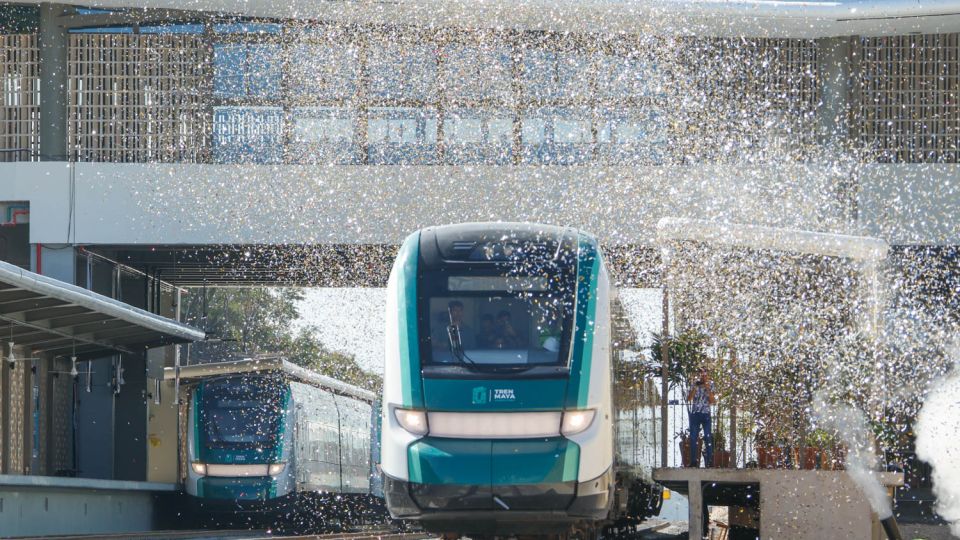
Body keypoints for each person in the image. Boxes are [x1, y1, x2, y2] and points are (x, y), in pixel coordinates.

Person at [687, 368, 716, 467]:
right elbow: (689, 398)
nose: (703, 377)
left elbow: (712, 401)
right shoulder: (694, 384)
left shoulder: (711, 384)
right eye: (702, 375)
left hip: (706, 414)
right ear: (699, 376)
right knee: (693, 437)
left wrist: (707, 388)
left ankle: (709, 462)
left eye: (705, 375)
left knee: (708, 437)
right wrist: (695, 388)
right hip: (695, 413)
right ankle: (693, 461)